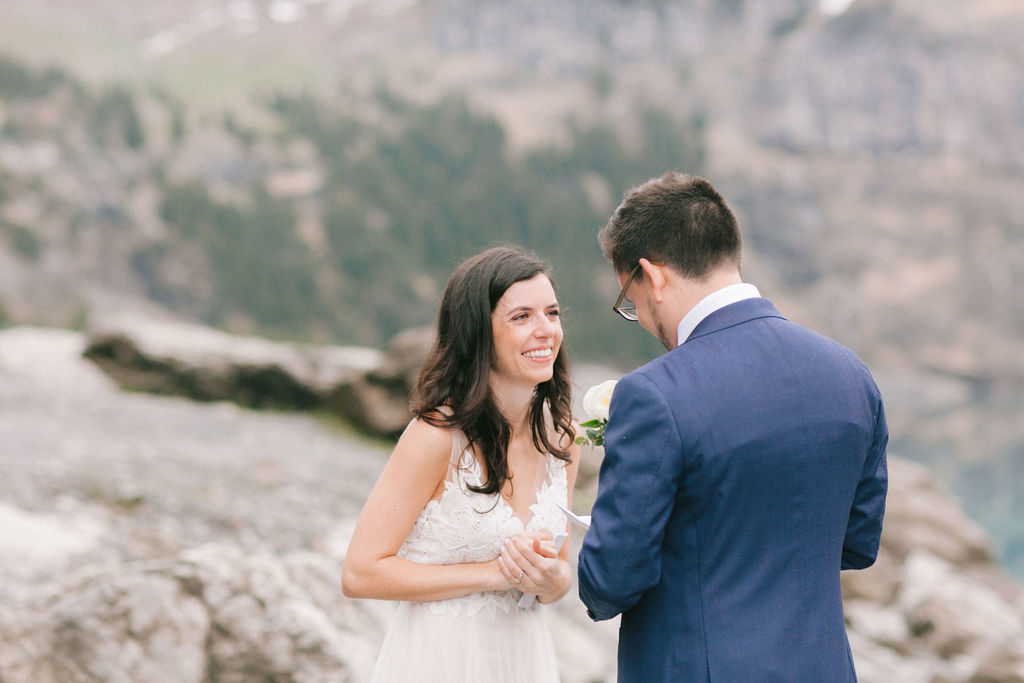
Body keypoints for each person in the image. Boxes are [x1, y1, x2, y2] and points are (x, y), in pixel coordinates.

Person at [577, 172, 888, 681]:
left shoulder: (654, 395)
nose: (643, 317)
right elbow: (857, 543)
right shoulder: (850, 374)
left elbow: (610, 581)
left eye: (629, 301)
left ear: (652, 276)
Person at [342, 246, 580, 682]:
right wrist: (493, 574)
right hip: (440, 659)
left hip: (524, 659)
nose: (546, 330)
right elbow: (361, 572)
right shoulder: (435, 438)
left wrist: (548, 579)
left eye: (552, 313)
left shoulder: (561, 438)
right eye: (522, 317)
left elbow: (562, 573)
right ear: (478, 333)